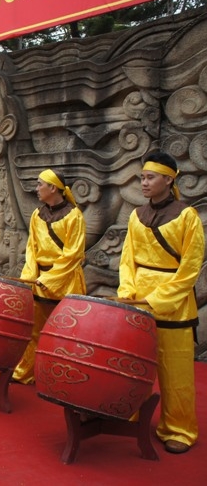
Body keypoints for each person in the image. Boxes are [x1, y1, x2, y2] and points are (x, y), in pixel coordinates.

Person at [117, 152, 204, 455]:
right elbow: (127, 259)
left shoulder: (187, 216)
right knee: (133, 364)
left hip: (174, 305)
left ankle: (178, 428)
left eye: (150, 177)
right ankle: (128, 413)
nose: (144, 182)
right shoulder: (135, 215)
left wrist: (157, 299)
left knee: (175, 372)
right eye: (142, 177)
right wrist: (128, 291)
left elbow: (190, 268)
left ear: (169, 180)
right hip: (138, 301)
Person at [12, 169, 86, 384]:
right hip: (39, 280)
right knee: (35, 331)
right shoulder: (37, 214)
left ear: (53, 188)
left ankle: (62, 378)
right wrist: (30, 275)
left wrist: (50, 279)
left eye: (40, 184)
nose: (37, 189)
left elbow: (73, 255)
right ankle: (27, 372)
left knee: (65, 333)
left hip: (65, 281)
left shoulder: (74, 216)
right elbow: (32, 248)